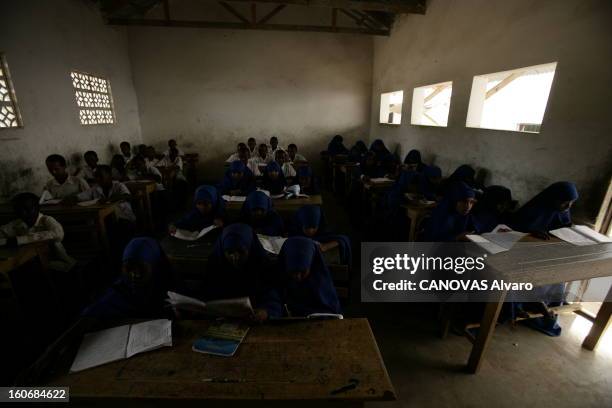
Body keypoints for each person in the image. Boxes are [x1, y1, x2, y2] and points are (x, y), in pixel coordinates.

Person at [82, 238, 173, 318]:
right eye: (128, 268)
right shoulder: (117, 294)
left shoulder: (170, 289)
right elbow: (89, 316)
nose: (134, 275)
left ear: (154, 266)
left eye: (141, 268)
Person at [260, 237, 342, 319]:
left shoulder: (320, 282)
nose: (298, 277)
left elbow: (330, 312)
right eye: (293, 272)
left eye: (303, 272)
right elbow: (273, 300)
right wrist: (268, 312)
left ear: (311, 265)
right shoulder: (280, 277)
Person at [0, 192, 75, 272]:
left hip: (56, 263)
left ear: (37, 208)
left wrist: (20, 239)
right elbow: (2, 232)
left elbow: (58, 234)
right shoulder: (18, 223)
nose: (24, 213)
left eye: (28, 209)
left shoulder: (46, 220)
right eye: (19, 211)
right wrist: (7, 241)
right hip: (29, 263)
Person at [202, 223, 272, 302]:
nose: (235, 258)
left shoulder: (261, 263)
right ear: (222, 250)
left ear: (250, 248)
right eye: (229, 252)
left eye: (241, 252)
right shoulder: (216, 263)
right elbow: (207, 292)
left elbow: (271, 294)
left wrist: (266, 310)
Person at [510, 181, 578, 237]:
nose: (568, 206)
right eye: (564, 202)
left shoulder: (562, 209)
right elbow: (517, 227)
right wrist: (532, 232)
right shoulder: (533, 210)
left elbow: (562, 224)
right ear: (553, 198)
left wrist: (568, 225)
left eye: (571, 202)